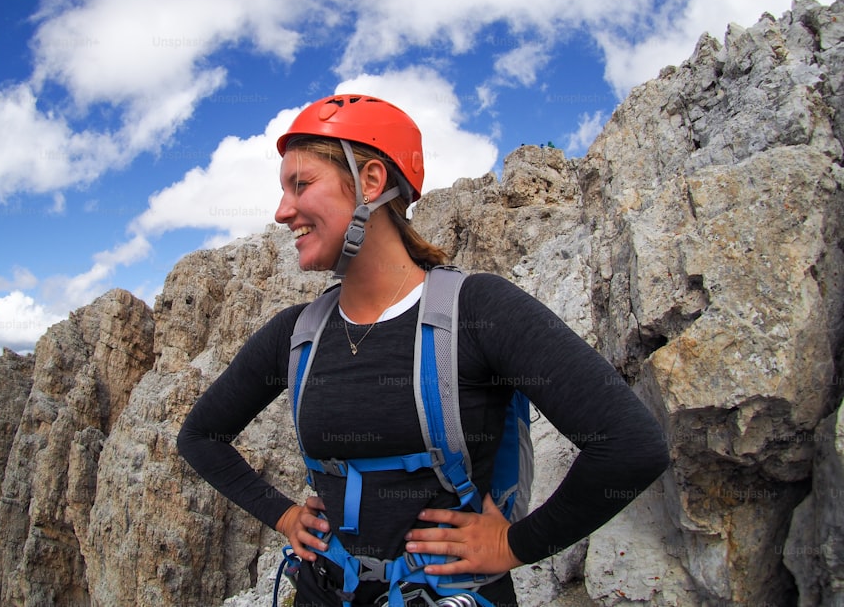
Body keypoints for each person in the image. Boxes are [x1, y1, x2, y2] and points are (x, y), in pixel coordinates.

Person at [178, 94, 670, 607]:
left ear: (370, 182)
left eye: (301, 184)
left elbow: (630, 446)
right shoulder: (295, 333)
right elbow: (201, 436)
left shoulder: (479, 311)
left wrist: (515, 545)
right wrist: (282, 515)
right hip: (323, 592)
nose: (282, 212)